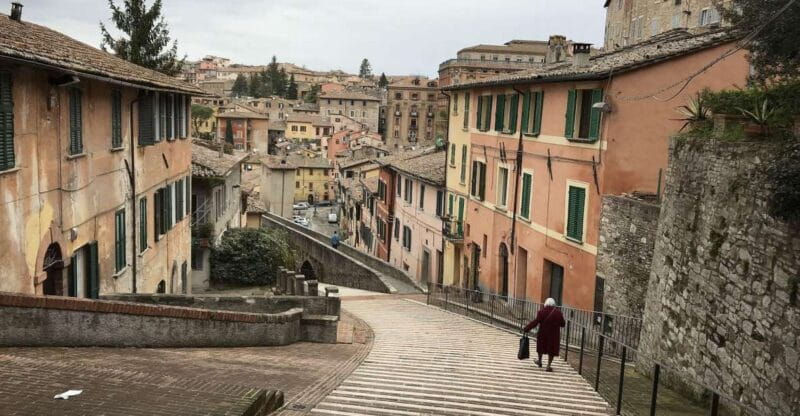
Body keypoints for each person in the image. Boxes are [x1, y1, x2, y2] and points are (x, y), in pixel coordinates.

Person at [523, 298, 566, 372]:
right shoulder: (558, 313)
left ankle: (539, 361)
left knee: (541, 347)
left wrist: (526, 328)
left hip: (543, 334)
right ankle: (548, 366)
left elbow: (535, 322)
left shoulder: (541, 312)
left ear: (545, 304)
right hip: (554, 335)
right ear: (554, 304)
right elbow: (563, 324)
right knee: (552, 350)